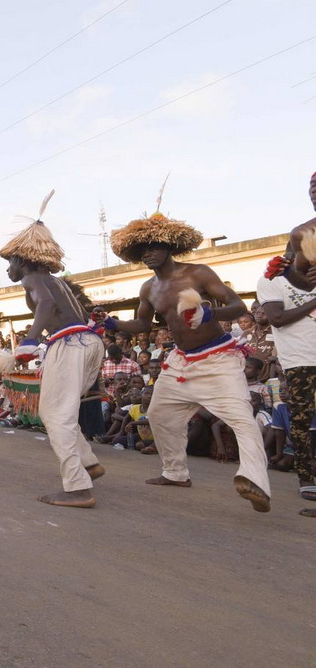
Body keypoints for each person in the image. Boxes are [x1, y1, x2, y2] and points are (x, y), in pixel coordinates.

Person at [101, 206, 271, 512]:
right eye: (143, 250)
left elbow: (237, 306)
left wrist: (211, 313)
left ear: (169, 247)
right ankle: (176, 473)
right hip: (180, 362)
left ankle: (254, 480)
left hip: (218, 359)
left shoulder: (198, 273)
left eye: (154, 247)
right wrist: (113, 324)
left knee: (241, 419)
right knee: (160, 415)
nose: (149, 254)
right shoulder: (148, 288)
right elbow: (141, 325)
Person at [0, 191, 104, 507]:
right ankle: (88, 462)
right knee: (64, 409)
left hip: (69, 344)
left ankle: (77, 488)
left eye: (8, 264)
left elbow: (44, 305)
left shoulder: (31, 278)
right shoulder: (56, 280)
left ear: (21, 260)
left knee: (54, 413)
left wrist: (30, 341)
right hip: (88, 341)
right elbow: (76, 315)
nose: (7, 271)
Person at [257, 244, 316, 517]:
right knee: (302, 421)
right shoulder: (272, 280)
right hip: (301, 360)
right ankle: (307, 479)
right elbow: (277, 318)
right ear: (291, 256)